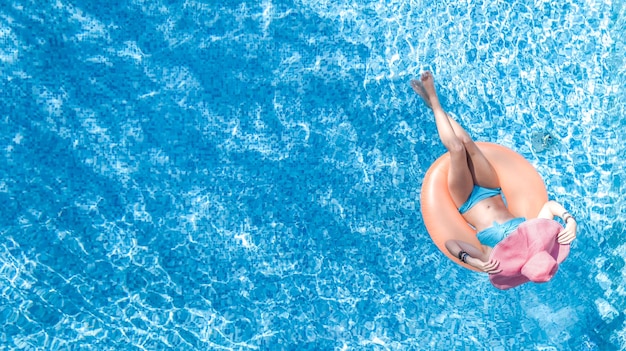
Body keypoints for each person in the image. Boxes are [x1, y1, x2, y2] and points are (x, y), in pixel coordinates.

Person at [411, 71, 577, 274]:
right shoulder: (535, 234)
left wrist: (472, 261)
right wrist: (570, 221)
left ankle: (433, 100)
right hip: (491, 188)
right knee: (467, 143)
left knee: (456, 149)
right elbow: (550, 206)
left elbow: (451, 243)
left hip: (466, 200)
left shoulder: (493, 258)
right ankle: (435, 107)